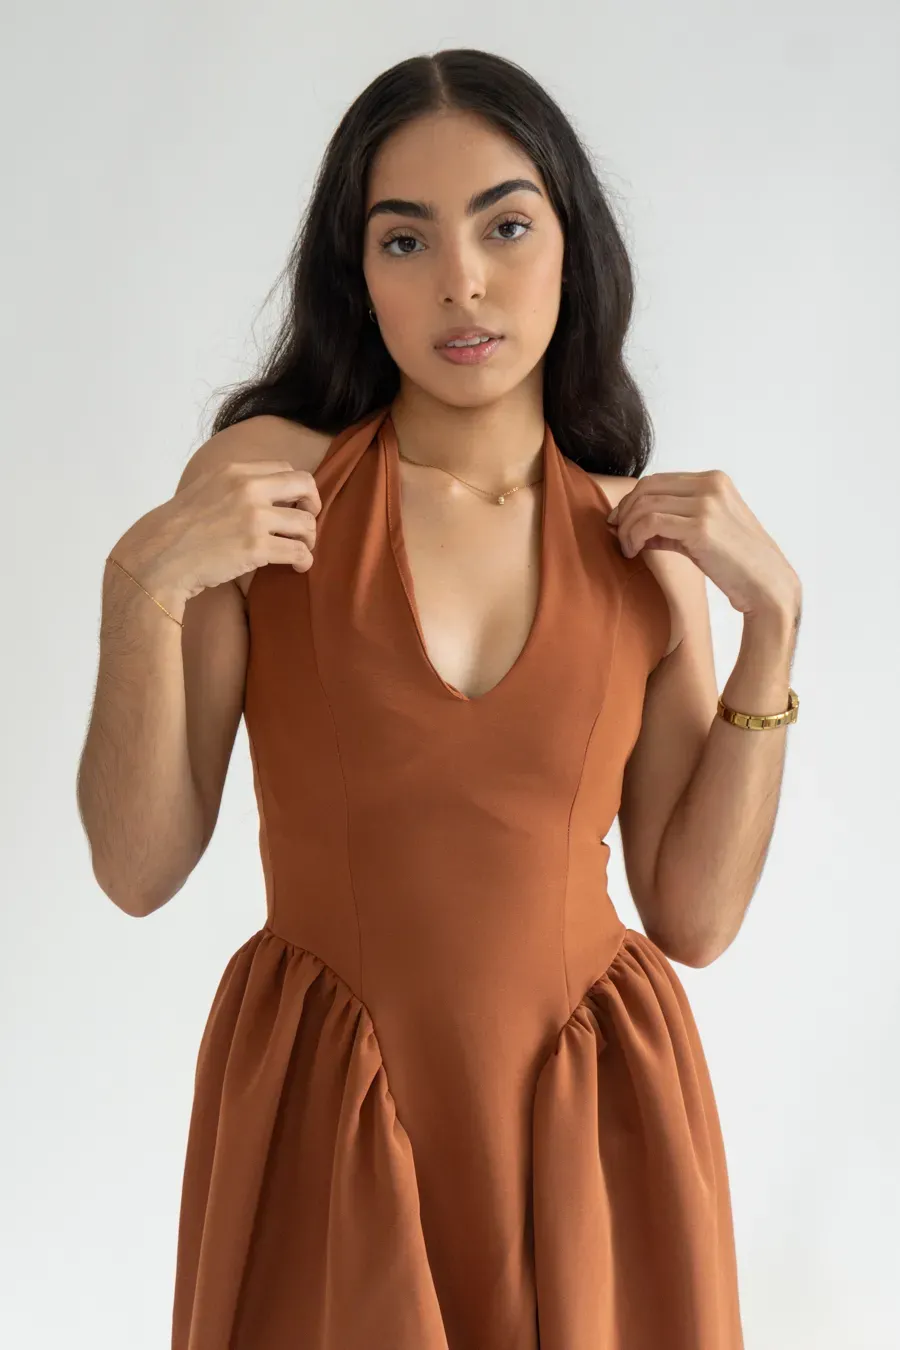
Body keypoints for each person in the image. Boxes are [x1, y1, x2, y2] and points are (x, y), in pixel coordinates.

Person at [77, 47, 802, 1350]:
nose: (461, 281)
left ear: (571, 244)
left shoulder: (641, 548)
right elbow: (138, 868)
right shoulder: (274, 491)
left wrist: (775, 630)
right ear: (356, 275)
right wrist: (139, 592)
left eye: (504, 226)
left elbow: (692, 918)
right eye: (404, 240)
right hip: (328, 1103)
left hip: (593, 1115)